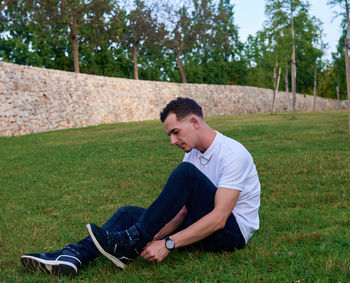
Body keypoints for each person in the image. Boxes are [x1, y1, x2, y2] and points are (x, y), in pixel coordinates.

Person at [20, 97, 261, 277]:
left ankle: (129, 241)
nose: (172, 141)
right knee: (128, 214)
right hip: (202, 221)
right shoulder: (193, 155)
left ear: (195, 122)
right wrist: (150, 235)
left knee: (186, 174)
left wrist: (168, 243)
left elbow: (219, 218)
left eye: (176, 132)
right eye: (170, 135)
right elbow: (182, 212)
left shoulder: (232, 153)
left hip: (231, 233)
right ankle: (74, 255)